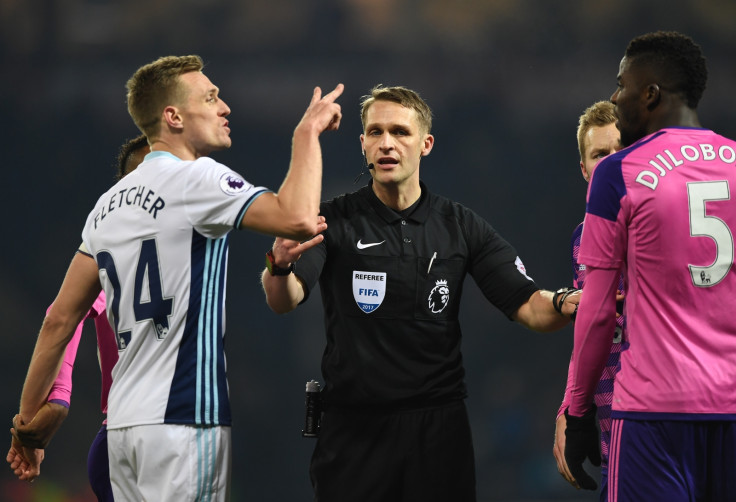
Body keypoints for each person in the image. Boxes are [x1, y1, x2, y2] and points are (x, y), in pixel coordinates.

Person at [11, 54, 344, 502]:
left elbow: (58, 321)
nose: (225, 107)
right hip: (184, 422)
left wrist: (26, 429)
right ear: (173, 116)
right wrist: (307, 134)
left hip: (122, 430)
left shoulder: (105, 208)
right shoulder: (197, 178)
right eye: (211, 97)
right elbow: (300, 218)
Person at [261, 84, 580, 502]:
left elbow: (531, 307)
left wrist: (567, 300)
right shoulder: (334, 220)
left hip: (438, 434)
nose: (386, 143)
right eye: (375, 133)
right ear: (362, 144)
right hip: (354, 433)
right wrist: (279, 265)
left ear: (426, 144)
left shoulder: (460, 226)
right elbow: (282, 299)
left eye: (400, 132)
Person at [564, 31, 736, 501]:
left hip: (652, 417)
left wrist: (577, 412)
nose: (615, 98)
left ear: (651, 93)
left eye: (621, 85)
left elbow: (598, 311)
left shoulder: (618, 173)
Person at [7, 135, 151, 501]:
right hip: (142, 439)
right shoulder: (124, 251)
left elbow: (62, 319)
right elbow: (62, 319)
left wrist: (45, 408)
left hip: (138, 440)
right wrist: (56, 398)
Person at [552, 101, 623, 498]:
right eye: (599, 155)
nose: (611, 163)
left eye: (619, 150)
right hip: (611, 422)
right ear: (584, 170)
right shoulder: (584, 235)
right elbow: (590, 323)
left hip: (649, 416)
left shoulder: (656, 217)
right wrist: (571, 407)